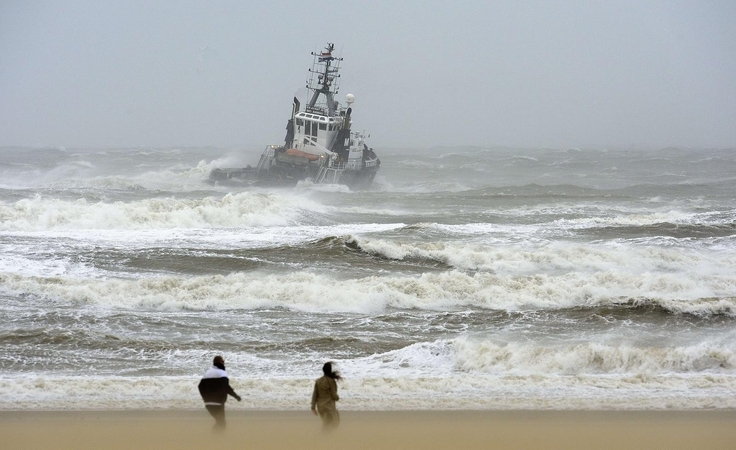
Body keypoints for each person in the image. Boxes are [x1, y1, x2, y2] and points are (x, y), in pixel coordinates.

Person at [198, 355, 241, 431]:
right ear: (219, 363)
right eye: (222, 361)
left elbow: (200, 386)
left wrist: (205, 398)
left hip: (208, 404)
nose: (224, 363)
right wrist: (236, 396)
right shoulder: (222, 373)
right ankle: (216, 439)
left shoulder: (207, 373)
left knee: (219, 422)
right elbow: (226, 387)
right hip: (218, 403)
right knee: (221, 423)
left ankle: (215, 439)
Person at [310, 361, 341, 430]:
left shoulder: (318, 381)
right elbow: (334, 395)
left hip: (320, 406)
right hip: (329, 405)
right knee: (335, 422)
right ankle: (325, 437)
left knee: (326, 423)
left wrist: (313, 407)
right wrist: (337, 398)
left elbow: (315, 394)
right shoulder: (331, 381)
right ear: (330, 370)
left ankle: (325, 438)